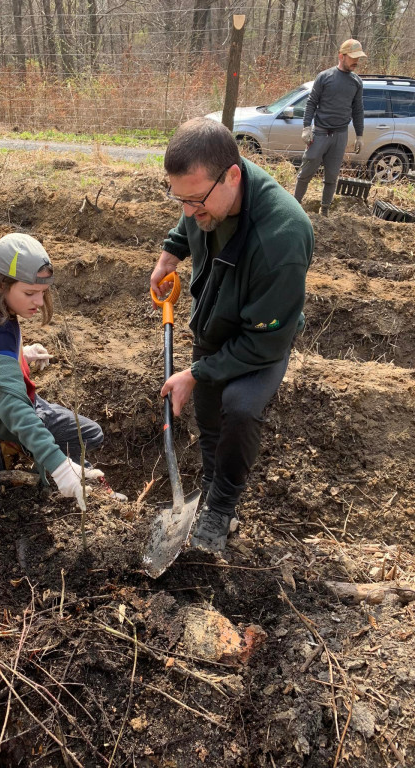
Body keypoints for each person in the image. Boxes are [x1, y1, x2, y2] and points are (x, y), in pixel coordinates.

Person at [150, 117, 314, 556]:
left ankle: (222, 507)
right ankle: (207, 486)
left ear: (234, 175)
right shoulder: (208, 190)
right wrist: (170, 253)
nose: (188, 211)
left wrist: (196, 371)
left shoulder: (282, 238)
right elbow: (188, 217)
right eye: (179, 199)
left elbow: (265, 344)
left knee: (238, 408)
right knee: (207, 410)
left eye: (196, 201)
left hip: (264, 334)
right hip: (215, 317)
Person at [0, 232, 126, 510]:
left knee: (75, 438)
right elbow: (16, 411)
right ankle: (67, 477)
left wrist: (20, 355)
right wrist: (61, 468)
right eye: (29, 292)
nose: (38, 301)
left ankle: (69, 469)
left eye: (43, 293)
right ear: (1, 285)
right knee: (91, 434)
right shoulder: (1, 332)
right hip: (12, 414)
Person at [294, 39, 367, 216]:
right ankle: (295, 205)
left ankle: (324, 209)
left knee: (332, 176)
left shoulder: (356, 82)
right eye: (353, 57)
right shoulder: (325, 77)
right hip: (319, 133)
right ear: (341, 56)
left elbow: (358, 109)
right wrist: (306, 127)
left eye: (358, 58)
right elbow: (311, 103)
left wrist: (359, 135)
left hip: (340, 135)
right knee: (306, 170)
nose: (356, 62)